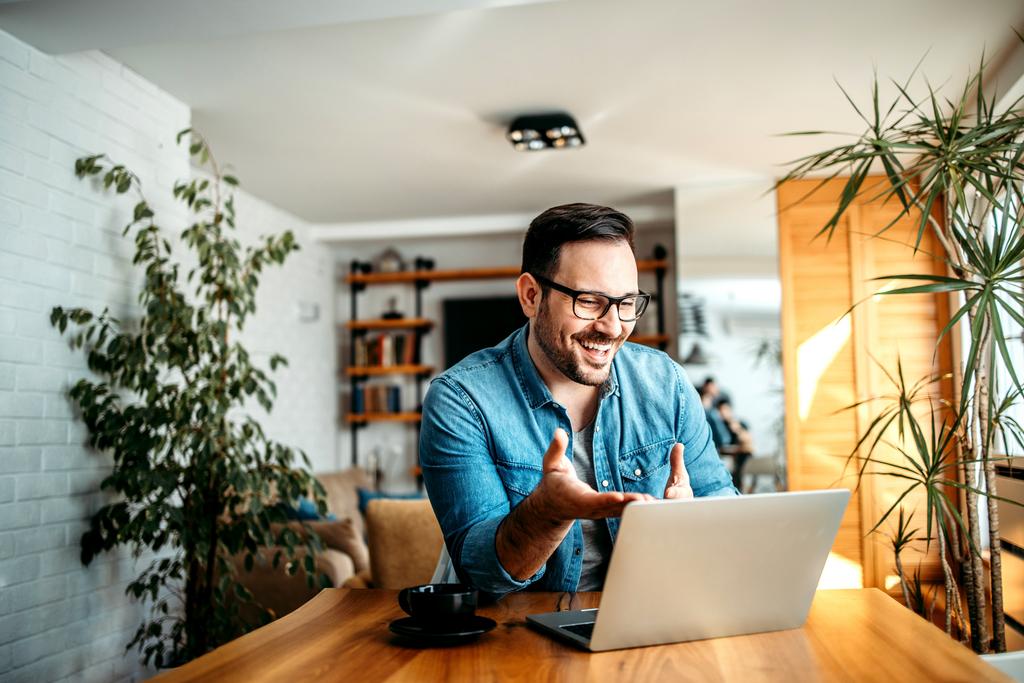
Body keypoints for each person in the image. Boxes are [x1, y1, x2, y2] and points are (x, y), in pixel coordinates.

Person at [419, 203, 737, 598]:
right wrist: (548, 514)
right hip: (515, 636)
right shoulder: (461, 400)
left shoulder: (665, 382)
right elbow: (482, 574)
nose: (613, 327)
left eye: (626, 303)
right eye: (589, 301)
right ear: (531, 295)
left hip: (646, 615)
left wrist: (693, 524)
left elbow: (722, 505)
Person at [714, 398, 754, 490]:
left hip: (742, 455)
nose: (723, 413)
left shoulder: (740, 423)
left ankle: (740, 488)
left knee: (741, 461)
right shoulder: (719, 426)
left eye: (725, 410)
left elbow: (748, 442)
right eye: (720, 411)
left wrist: (737, 429)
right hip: (726, 455)